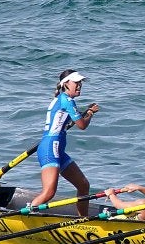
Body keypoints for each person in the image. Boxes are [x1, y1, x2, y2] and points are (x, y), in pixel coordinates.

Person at [29, 69, 99, 216]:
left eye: (80, 83)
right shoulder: (67, 101)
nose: (79, 85)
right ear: (66, 84)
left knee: (83, 185)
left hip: (57, 150)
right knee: (49, 193)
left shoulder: (62, 99)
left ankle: (83, 221)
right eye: (76, 82)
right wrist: (91, 113)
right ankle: (24, 216)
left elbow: (67, 124)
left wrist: (85, 113)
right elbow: (82, 125)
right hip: (50, 148)